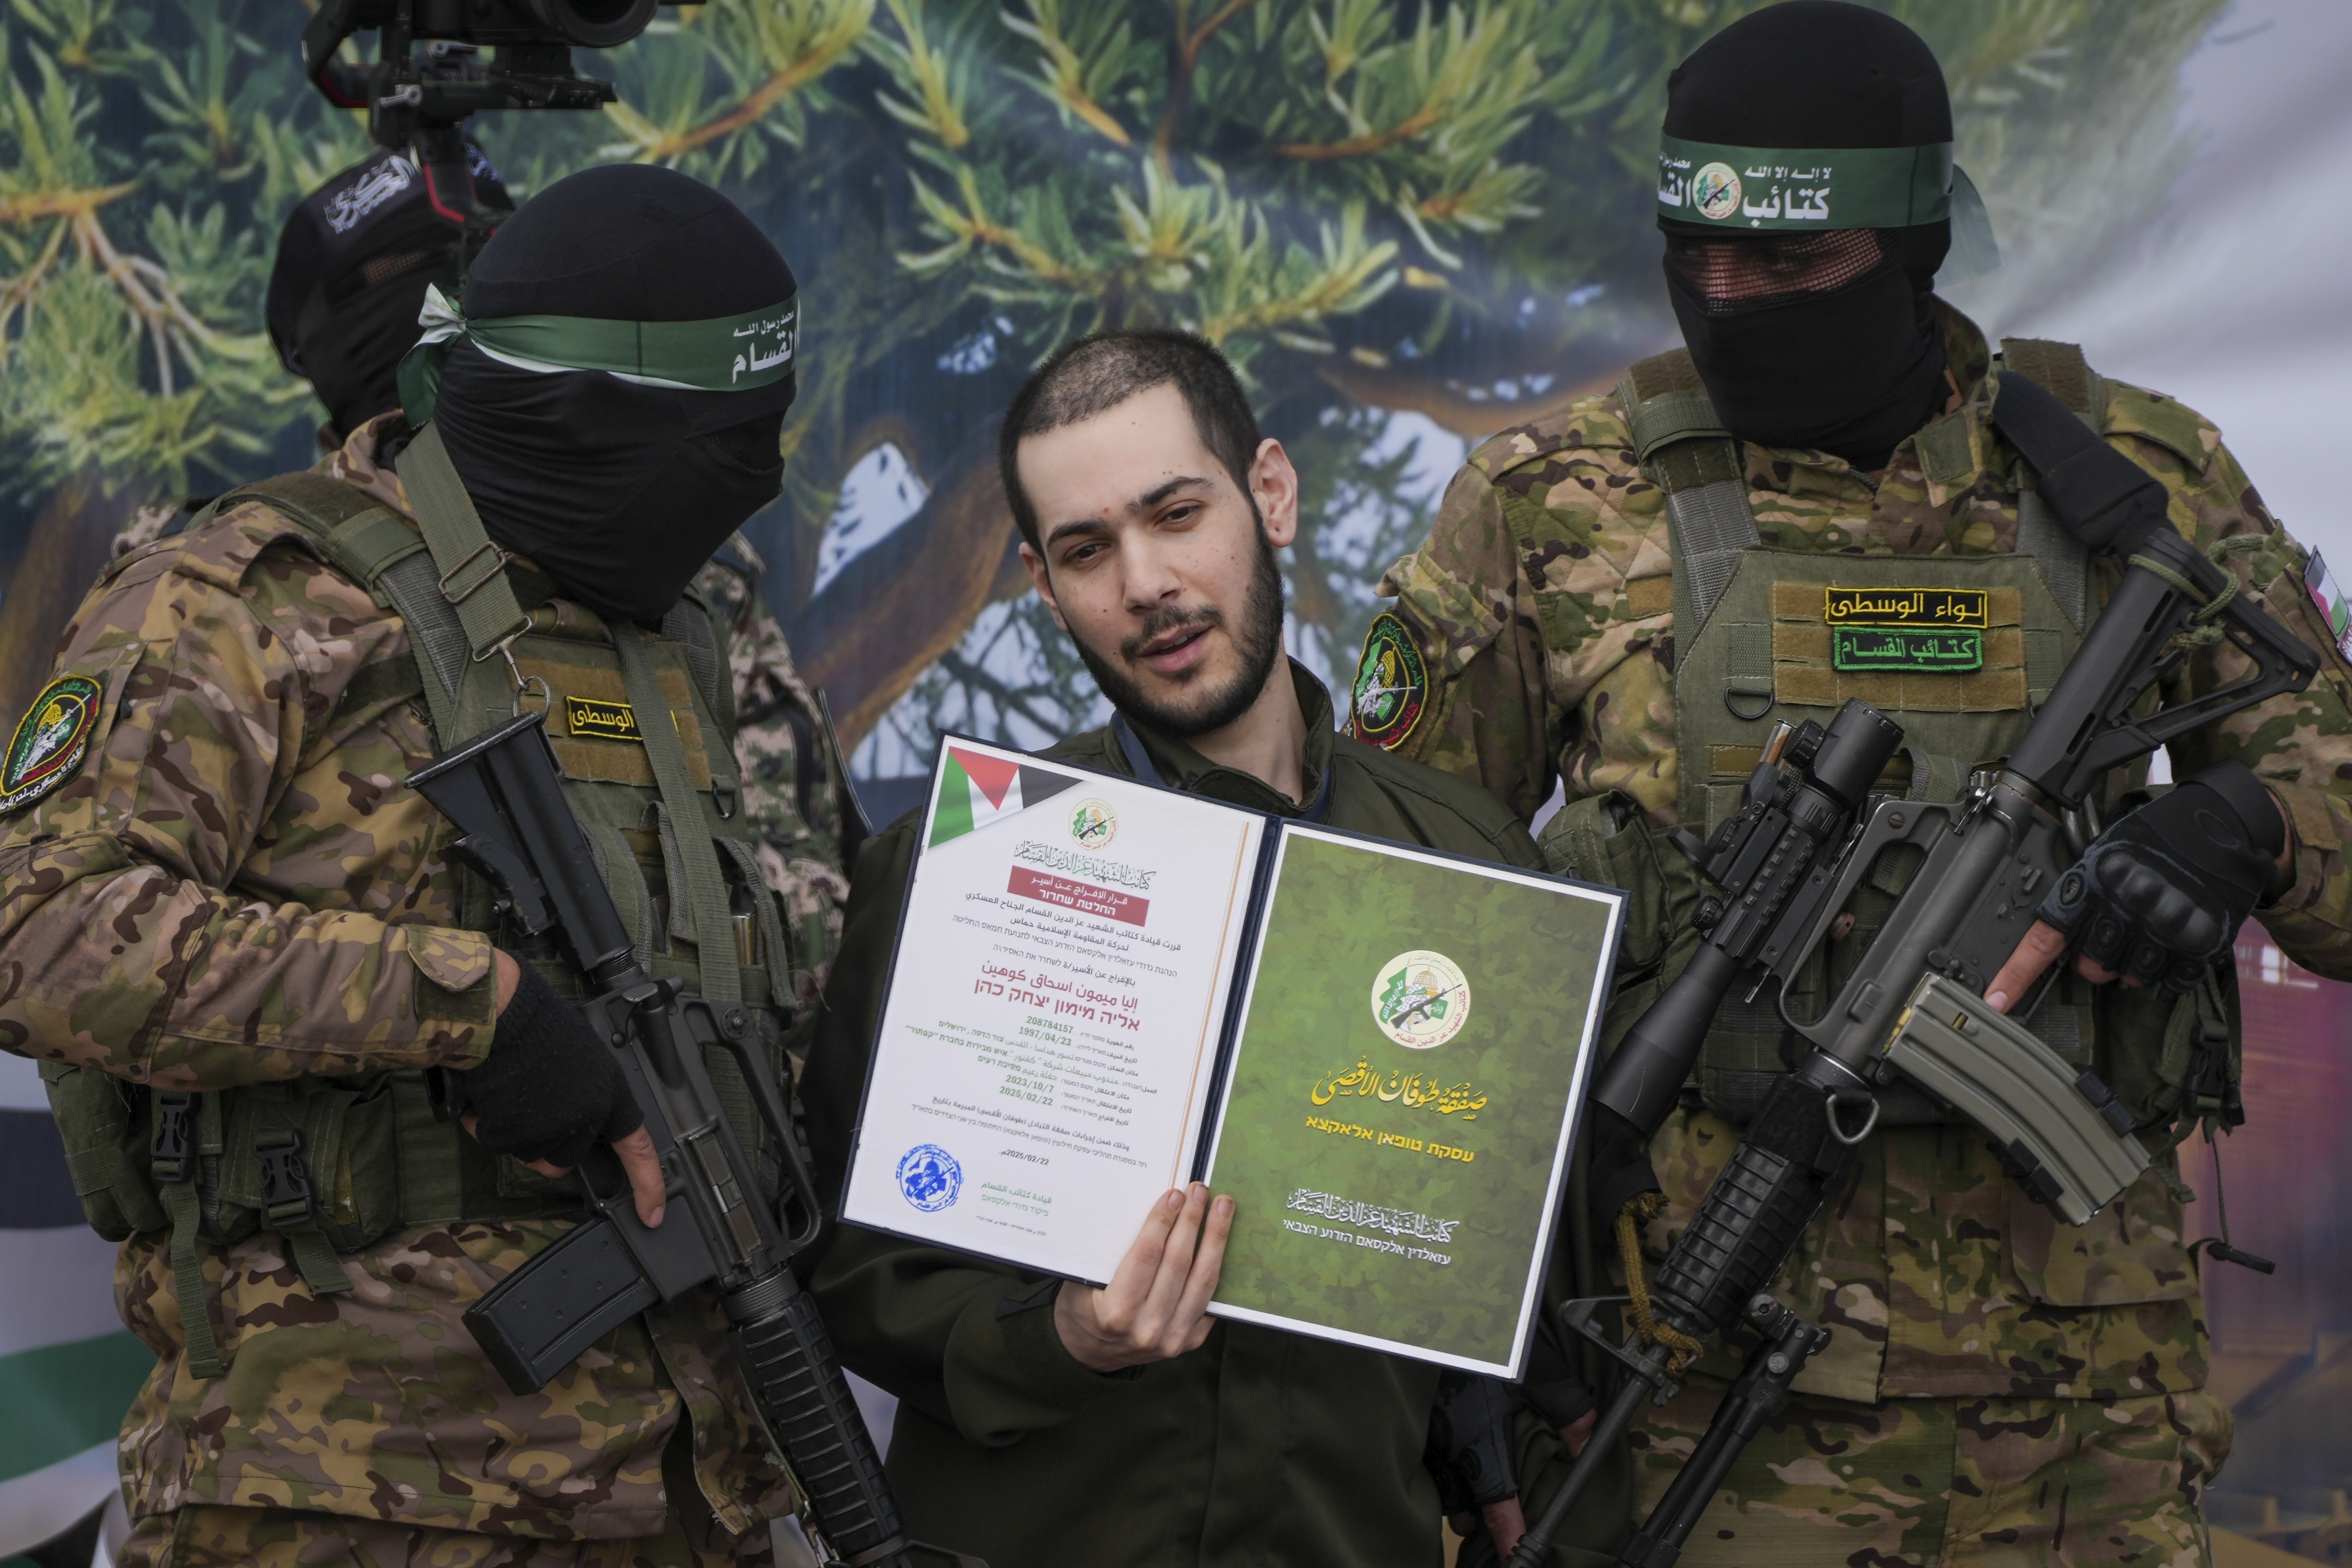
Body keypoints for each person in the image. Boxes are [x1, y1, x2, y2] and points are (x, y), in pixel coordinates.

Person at [1358, 5, 2352, 1564]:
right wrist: (1445, 1330)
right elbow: (1390, 929)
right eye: (1700, 255)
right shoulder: (1552, 502)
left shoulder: (2139, 485)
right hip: (1685, 1389)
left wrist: (2247, 829)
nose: (1734, 298)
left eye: (1795, 267)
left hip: (2078, 1422)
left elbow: (2342, 836)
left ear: (1920, 242)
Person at [0, 163, 847, 1567]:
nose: (752, 482)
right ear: (593, 421)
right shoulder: (248, 596)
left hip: (692, 1495)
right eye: (729, 444)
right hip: (337, 1495)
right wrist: (472, 1007)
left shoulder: (685, 642)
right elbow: (38, 927)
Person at [796, 328, 1545, 1567]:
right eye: (1088, 550)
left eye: (1176, 513)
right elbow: (854, 1272)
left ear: (1272, 494)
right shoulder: (968, 863)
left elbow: (1506, 1274)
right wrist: (1061, 1341)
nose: (1145, 582)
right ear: (1044, 586)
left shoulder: (1468, 867)